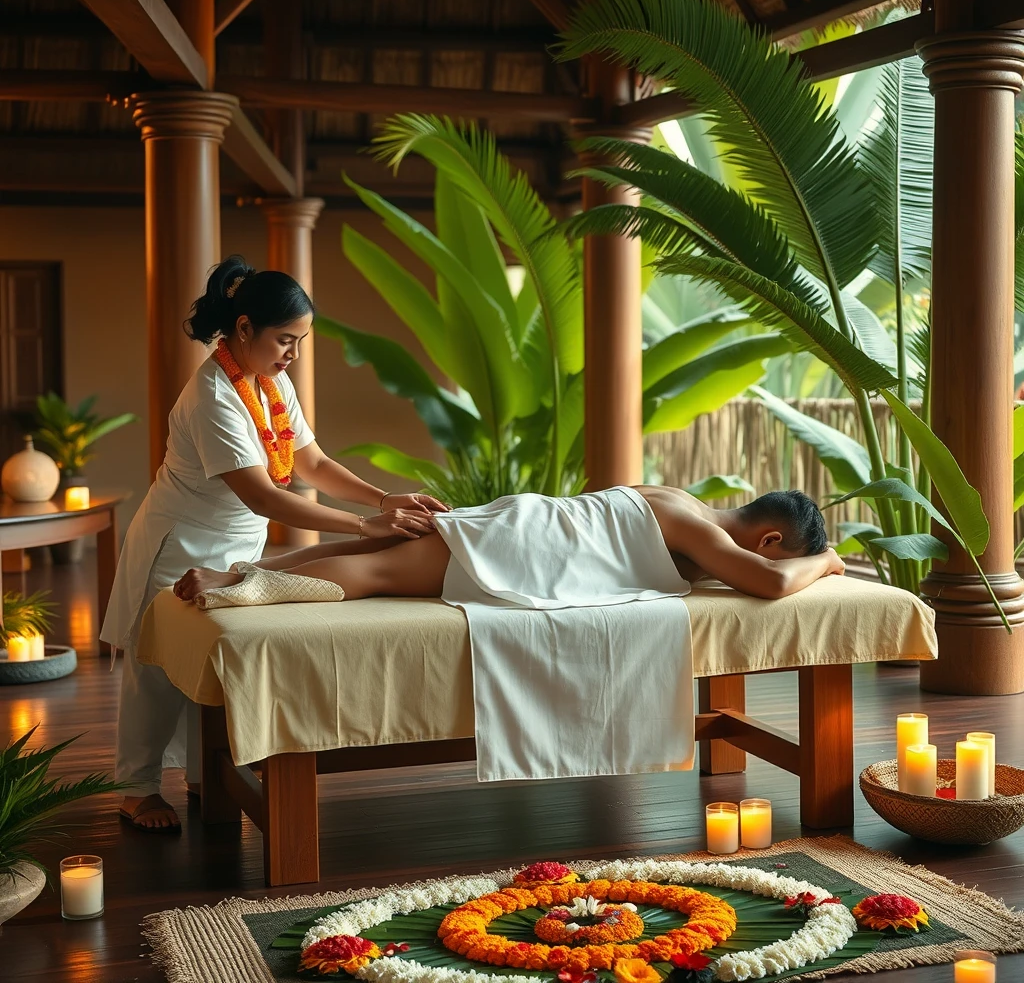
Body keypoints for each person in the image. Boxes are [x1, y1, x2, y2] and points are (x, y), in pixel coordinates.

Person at [101, 255, 447, 833]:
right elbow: (263, 495)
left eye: (299, 342)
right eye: (285, 340)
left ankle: (202, 773)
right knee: (156, 667)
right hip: (181, 539)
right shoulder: (212, 394)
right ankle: (135, 789)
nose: (293, 354)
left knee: (214, 658)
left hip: (239, 541)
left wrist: (384, 500)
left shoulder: (272, 380)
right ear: (243, 329)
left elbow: (310, 461)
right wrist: (366, 528)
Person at [174, 486, 845, 607]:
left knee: (382, 563)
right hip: (530, 548)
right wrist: (832, 562)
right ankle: (249, 590)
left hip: (528, 523)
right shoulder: (701, 529)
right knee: (377, 572)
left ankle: (240, 569)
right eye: (776, 553)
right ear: (769, 538)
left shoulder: (684, 501)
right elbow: (773, 585)